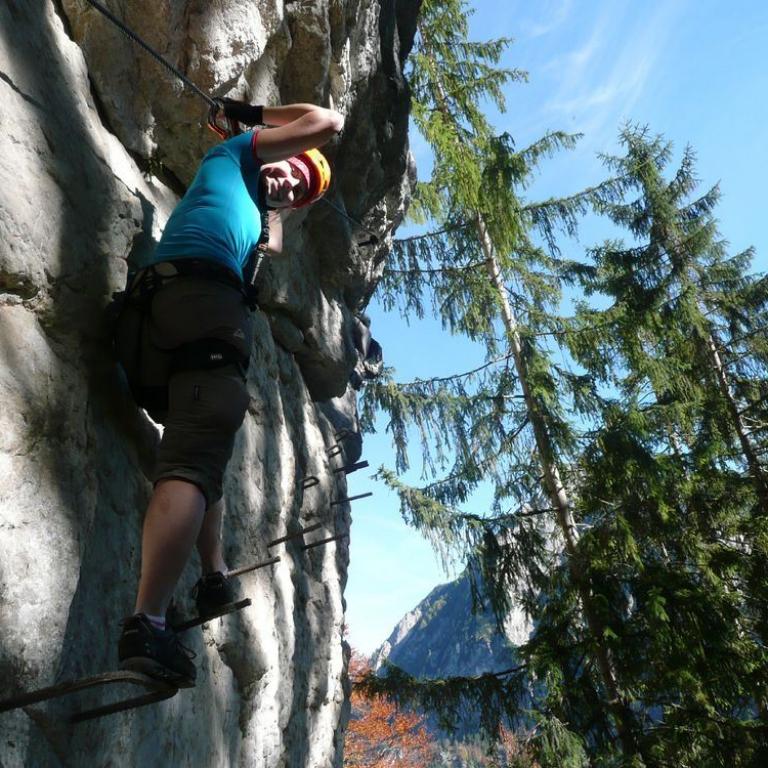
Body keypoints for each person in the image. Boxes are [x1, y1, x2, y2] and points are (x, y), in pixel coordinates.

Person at [115, 100, 344, 688]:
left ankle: (213, 570)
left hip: (159, 319)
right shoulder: (235, 154)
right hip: (205, 308)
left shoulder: (248, 204)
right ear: (270, 149)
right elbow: (329, 121)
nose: (292, 182)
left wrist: (281, 199)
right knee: (194, 459)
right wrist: (253, 116)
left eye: (301, 189)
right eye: (294, 167)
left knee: (203, 450)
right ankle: (148, 622)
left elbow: (274, 243)